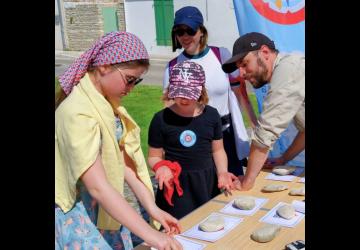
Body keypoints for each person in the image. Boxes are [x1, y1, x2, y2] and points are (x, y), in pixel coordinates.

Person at [55, 31, 182, 250]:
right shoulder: (78, 113)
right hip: (81, 219)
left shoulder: (106, 106)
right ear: (105, 66)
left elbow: (123, 165)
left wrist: (153, 209)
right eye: (129, 80)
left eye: (137, 81)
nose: (131, 89)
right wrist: (152, 236)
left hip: (108, 211)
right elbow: (97, 187)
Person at [163, 6, 258, 177]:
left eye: (190, 30)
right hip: (193, 136)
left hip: (225, 134)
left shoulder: (221, 55)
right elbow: (169, 107)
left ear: (201, 31)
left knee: (232, 185)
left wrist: (255, 128)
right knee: (202, 190)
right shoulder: (172, 66)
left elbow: (240, 93)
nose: (184, 36)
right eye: (179, 31)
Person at [148, 60, 237, 219]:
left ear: (201, 90)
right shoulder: (161, 119)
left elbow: (218, 150)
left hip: (207, 182)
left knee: (209, 221)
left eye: (189, 93)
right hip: (176, 185)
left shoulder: (211, 115)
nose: (183, 98)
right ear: (170, 90)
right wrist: (160, 166)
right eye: (179, 92)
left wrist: (222, 172)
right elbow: (153, 156)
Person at [222, 32, 305, 190]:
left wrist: (247, 182)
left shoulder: (288, 69)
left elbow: (265, 131)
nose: (241, 74)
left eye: (245, 64)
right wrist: (283, 159)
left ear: (265, 53)